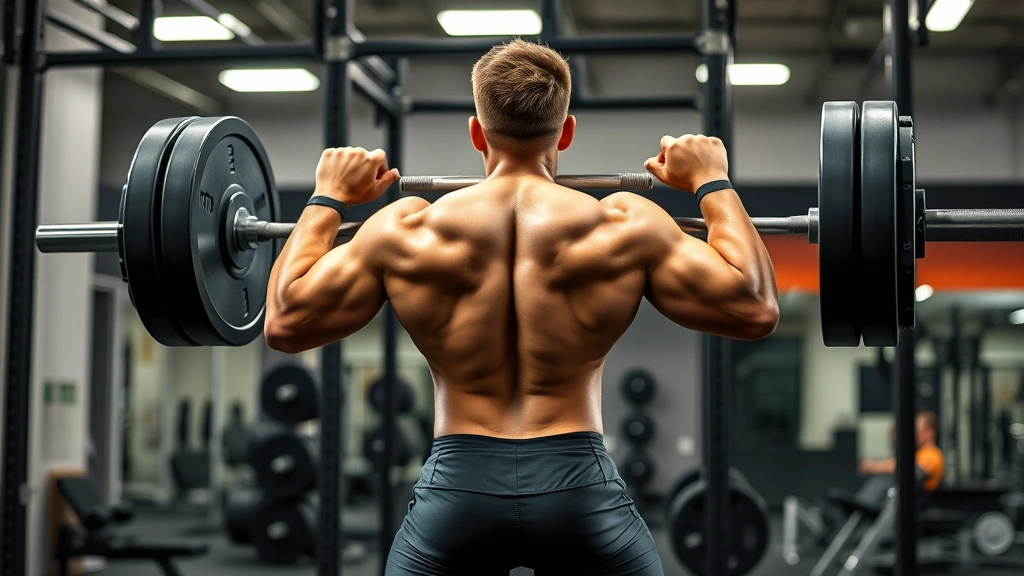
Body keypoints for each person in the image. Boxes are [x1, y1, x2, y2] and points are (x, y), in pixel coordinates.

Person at [266, 39, 779, 576]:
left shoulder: (405, 228)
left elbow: (284, 320)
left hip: (456, 491)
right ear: (566, 132)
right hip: (579, 489)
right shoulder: (624, 223)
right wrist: (710, 182)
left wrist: (327, 198)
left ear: (476, 132)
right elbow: (754, 307)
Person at [859, 410, 944, 491]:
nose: (913, 433)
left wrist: (876, 467)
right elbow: (899, 463)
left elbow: (914, 471)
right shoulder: (919, 453)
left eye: (917, 429)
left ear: (928, 432)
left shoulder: (932, 455)